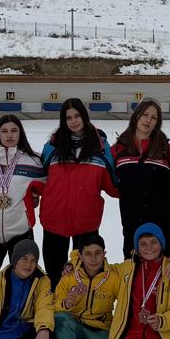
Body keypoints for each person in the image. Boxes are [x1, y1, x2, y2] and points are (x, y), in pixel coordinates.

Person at [0, 115, 44, 311]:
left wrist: (33, 199)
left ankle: (24, 323)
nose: (9, 135)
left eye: (14, 131)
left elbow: (46, 189)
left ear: (20, 134)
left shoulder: (34, 162)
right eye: (4, 131)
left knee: (24, 278)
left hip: (20, 232)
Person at [40, 98, 118, 267]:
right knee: (55, 278)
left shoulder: (100, 147)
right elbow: (39, 180)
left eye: (77, 116)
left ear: (84, 116)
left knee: (83, 278)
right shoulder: (52, 147)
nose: (73, 121)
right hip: (54, 223)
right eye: (68, 118)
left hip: (86, 225)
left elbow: (114, 186)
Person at [111, 98, 170, 254]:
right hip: (132, 226)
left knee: (167, 275)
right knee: (133, 273)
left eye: (154, 117)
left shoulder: (168, 150)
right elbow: (112, 186)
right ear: (136, 116)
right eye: (145, 114)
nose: (148, 120)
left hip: (165, 226)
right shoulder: (117, 150)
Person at [51, 232, 121, 339]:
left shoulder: (113, 278)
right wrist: (66, 303)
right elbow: (54, 303)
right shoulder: (70, 275)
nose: (93, 259)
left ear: (105, 254)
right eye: (88, 254)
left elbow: (124, 304)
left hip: (99, 327)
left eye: (98, 253)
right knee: (60, 318)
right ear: (80, 256)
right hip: (75, 326)